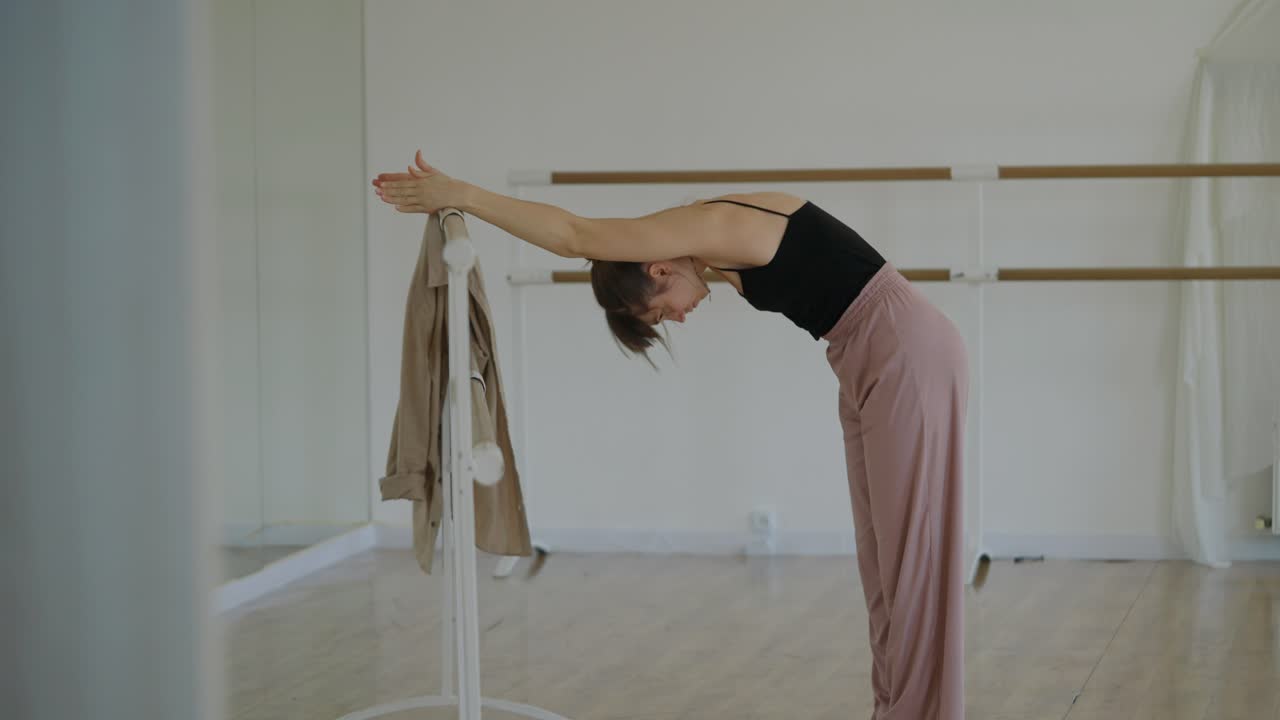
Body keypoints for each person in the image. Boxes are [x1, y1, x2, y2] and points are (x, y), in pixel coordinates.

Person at [374, 151, 970, 720]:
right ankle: (897, 709)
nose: (679, 318)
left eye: (661, 314)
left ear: (659, 269)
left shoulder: (718, 225)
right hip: (867, 356)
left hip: (903, 350)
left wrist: (462, 197)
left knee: (912, 557)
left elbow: (577, 237)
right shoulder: (714, 244)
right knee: (882, 560)